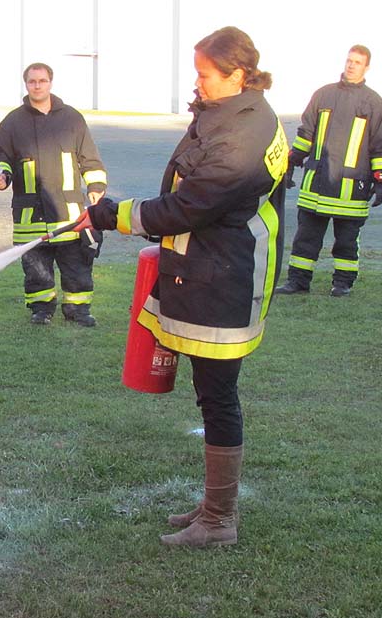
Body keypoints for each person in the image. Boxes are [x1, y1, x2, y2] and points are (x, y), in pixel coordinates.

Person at [87, 27, 287, 547]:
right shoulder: (242, 114)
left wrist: (112, 215)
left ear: (237, 75)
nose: (195, 83)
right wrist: (202, 106)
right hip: (216, 268)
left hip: (223, 276)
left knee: (218, 397)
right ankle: (212, 506)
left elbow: (187, 206)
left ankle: (219, 521)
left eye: (204, 75)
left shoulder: (241, 140)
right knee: (211, 393)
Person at [0, 62, 107, 327]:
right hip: (30, 213)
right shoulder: (13, 122)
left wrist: (96, 188)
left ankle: (78, 310)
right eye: (32, 81)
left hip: (68, 214)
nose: (37, 86)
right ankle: (41, 310)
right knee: (36, 269)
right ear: (26, 84)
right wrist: (1, 177)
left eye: (42, 81)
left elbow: (89, 158)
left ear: (51, 83)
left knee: (76, 265)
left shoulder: (72, 119)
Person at [275, 45, 382, 297]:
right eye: (349, 60)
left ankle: (342, 284)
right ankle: (298, 282)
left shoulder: (374, 103)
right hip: (316, 184)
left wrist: (380, 180)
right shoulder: (323, 95)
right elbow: (306, 134)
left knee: (347, 241)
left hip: (351, 188)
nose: (351, 65)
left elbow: (380, 146)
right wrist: (292, 161)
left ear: (366, 67)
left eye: (358, 62)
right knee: (306, 237)